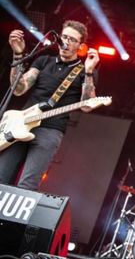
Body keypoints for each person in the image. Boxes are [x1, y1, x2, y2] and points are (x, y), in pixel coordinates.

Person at [0, 20, 99, 190]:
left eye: (72, 39)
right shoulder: (44, 60)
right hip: (20, 125)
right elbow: (18, 89)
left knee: (27, 186)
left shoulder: (84, 71)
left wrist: (89, 71)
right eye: (64, 37)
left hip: (50, 130)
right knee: (1, 176)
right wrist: (18, 55)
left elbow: (86, 106)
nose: (66, 42)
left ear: (81, 46)